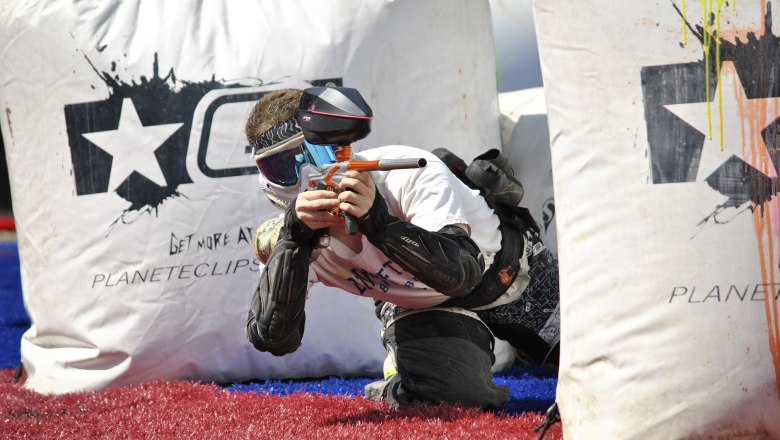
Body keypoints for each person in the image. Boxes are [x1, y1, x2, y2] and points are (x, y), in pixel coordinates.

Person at [244, 87, 560, 409]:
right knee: (452, 400)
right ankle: (406, 376)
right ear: (268, 184)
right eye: (284, 169)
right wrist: (295, 245)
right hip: (422, 309)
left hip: (510, 276)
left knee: (602, 356)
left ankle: (528, 343)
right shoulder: (292, 236)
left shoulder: (407, 173)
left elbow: (462, 273)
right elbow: (274, 338)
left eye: (318, 154)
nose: (309, 177)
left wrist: (378, 222)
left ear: (343, 148)